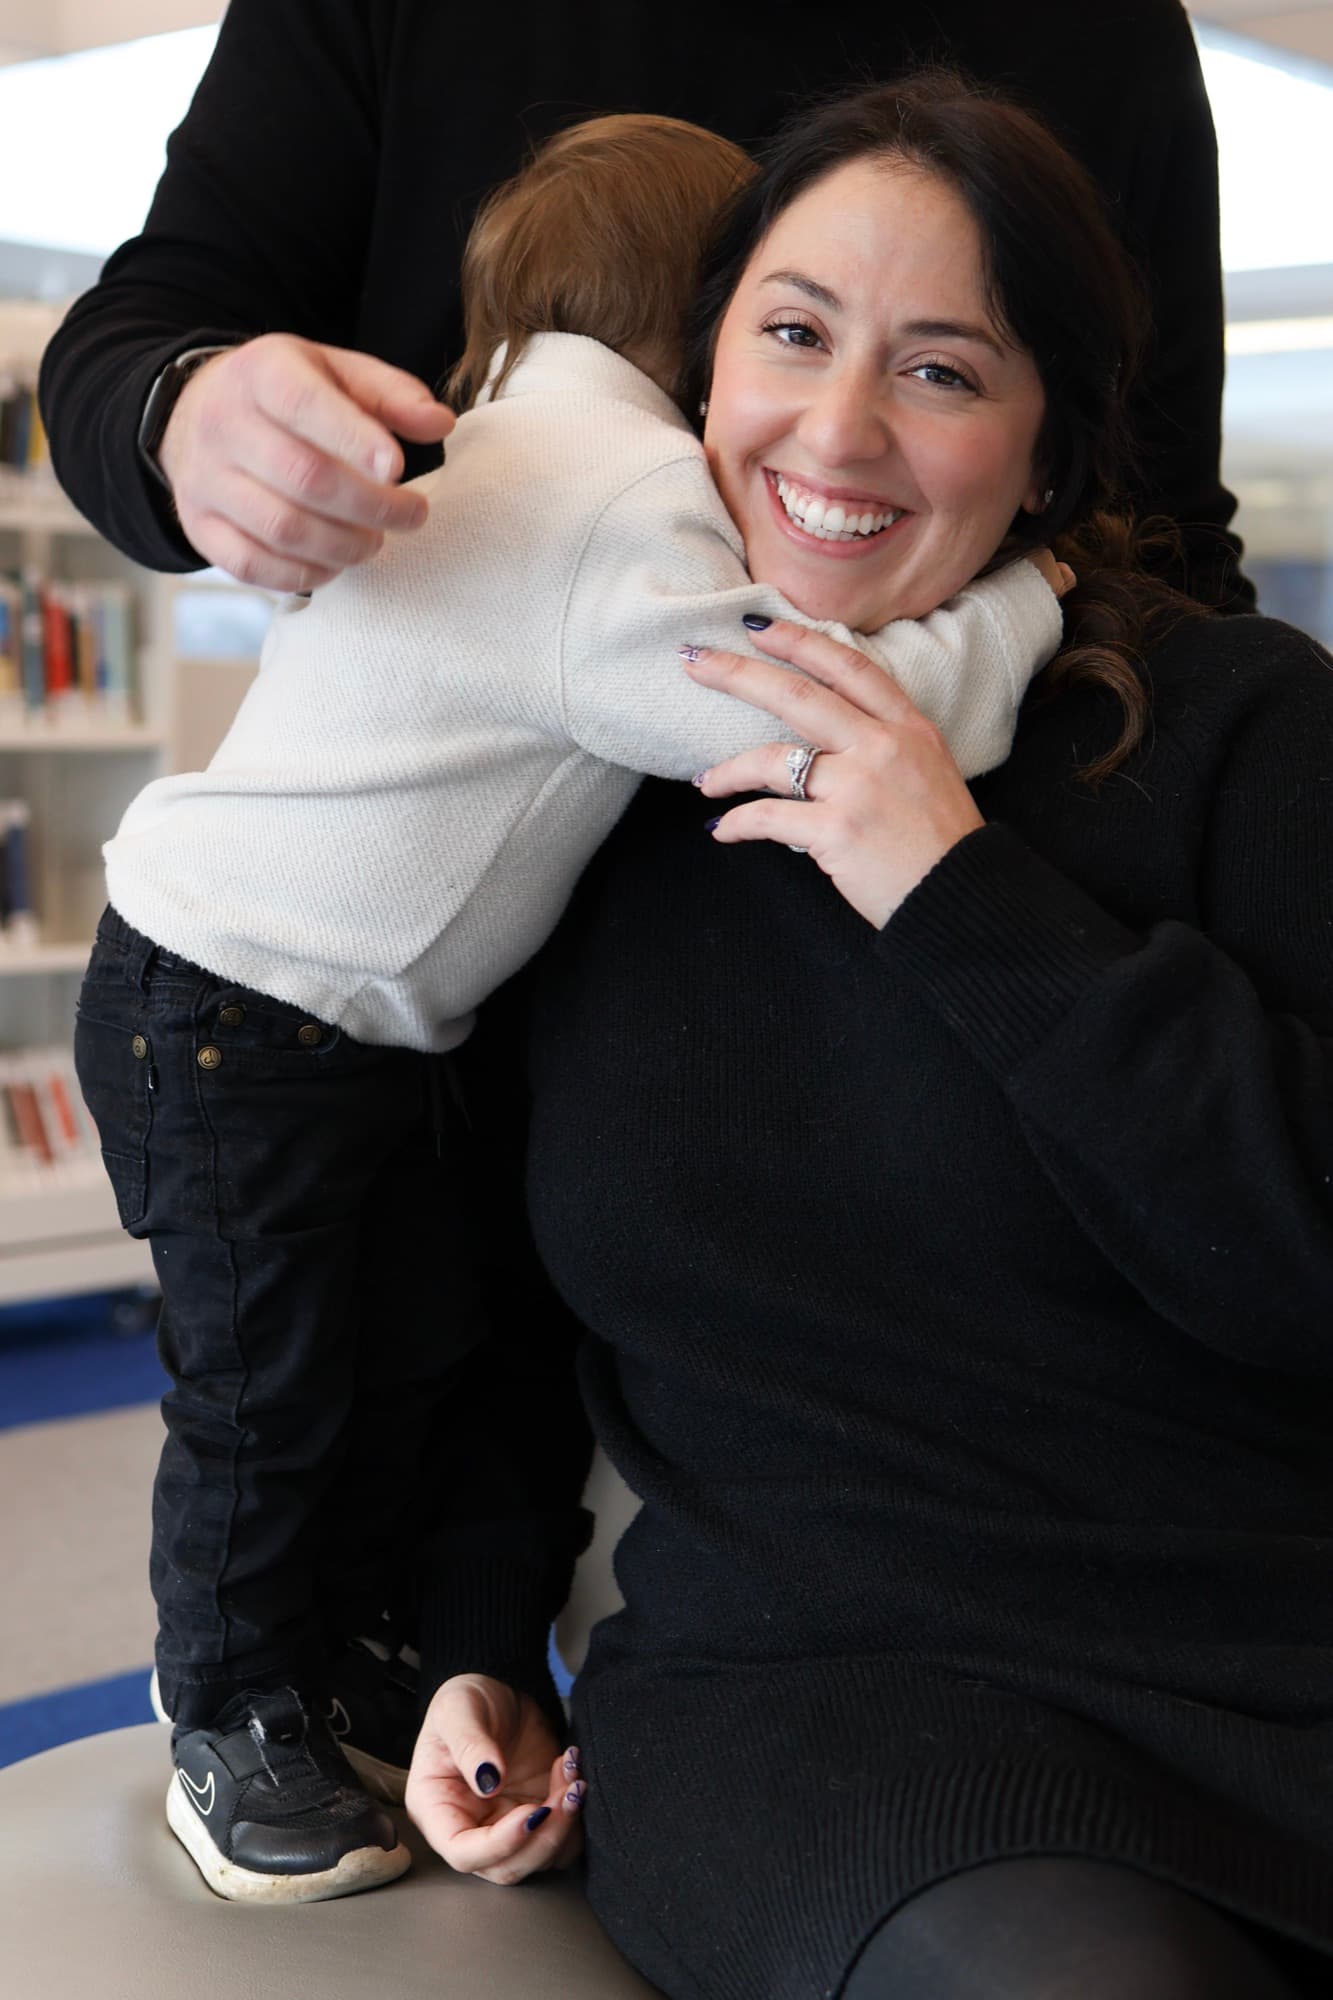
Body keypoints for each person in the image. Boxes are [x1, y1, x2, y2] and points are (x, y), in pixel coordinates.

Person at [72, 107, 1070, 1907]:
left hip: (279, 1005)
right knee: (269, 1384)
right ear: (703, 318)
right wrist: (1021, 605)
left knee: (371, 1350)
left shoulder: (495, 444)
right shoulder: (611, 498)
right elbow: (816, 720)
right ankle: (224, 1708)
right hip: (245, 1011)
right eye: (777, 324)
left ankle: (328, 1651)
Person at [403, 75, 1333, 1999]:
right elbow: (485, 1295)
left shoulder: (1240, 729)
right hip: (825, 1701)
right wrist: (463, 1647)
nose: (834, 433)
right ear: (698, 365)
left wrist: (961, 892)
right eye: (793, 334)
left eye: (938, 368)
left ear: (1051, 440)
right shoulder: (585, 771)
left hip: (1271, 1663)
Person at [37, 0, 1250, 612]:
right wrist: (190, 415)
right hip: (445, 1003)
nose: (832, 429)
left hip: (925, 942)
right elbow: (141, 334)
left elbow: (1166, 536)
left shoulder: (1104, 32)